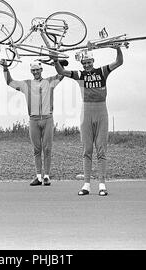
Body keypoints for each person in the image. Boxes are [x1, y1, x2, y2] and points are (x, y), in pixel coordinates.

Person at [51, 46, 123, 196]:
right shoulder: (80, 75)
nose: (87, 65)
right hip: (86, 111)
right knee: (87, 150)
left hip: (101, 110)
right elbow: (62, 72)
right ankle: (87, 185)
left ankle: (102, 184)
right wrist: (56, 60)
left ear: (93, 61)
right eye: (84, 63)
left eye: (89, 62)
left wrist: (117, 49)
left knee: (101, 149)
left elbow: (119, 62)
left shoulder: (102, 71)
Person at [0, 59, 64, 187]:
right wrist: (5, 68)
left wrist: (58, 62)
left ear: (41, 70)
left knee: (47, 149)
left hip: (47, 119)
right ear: (31, 71)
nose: (35, 72)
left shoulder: (50, 82)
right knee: (36, 149)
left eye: (37, 70)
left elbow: (62, 74)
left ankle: (46, 176)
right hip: (33, 120)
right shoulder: (26, 84)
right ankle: (38, 176)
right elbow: (9, 82)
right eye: (33, 70)